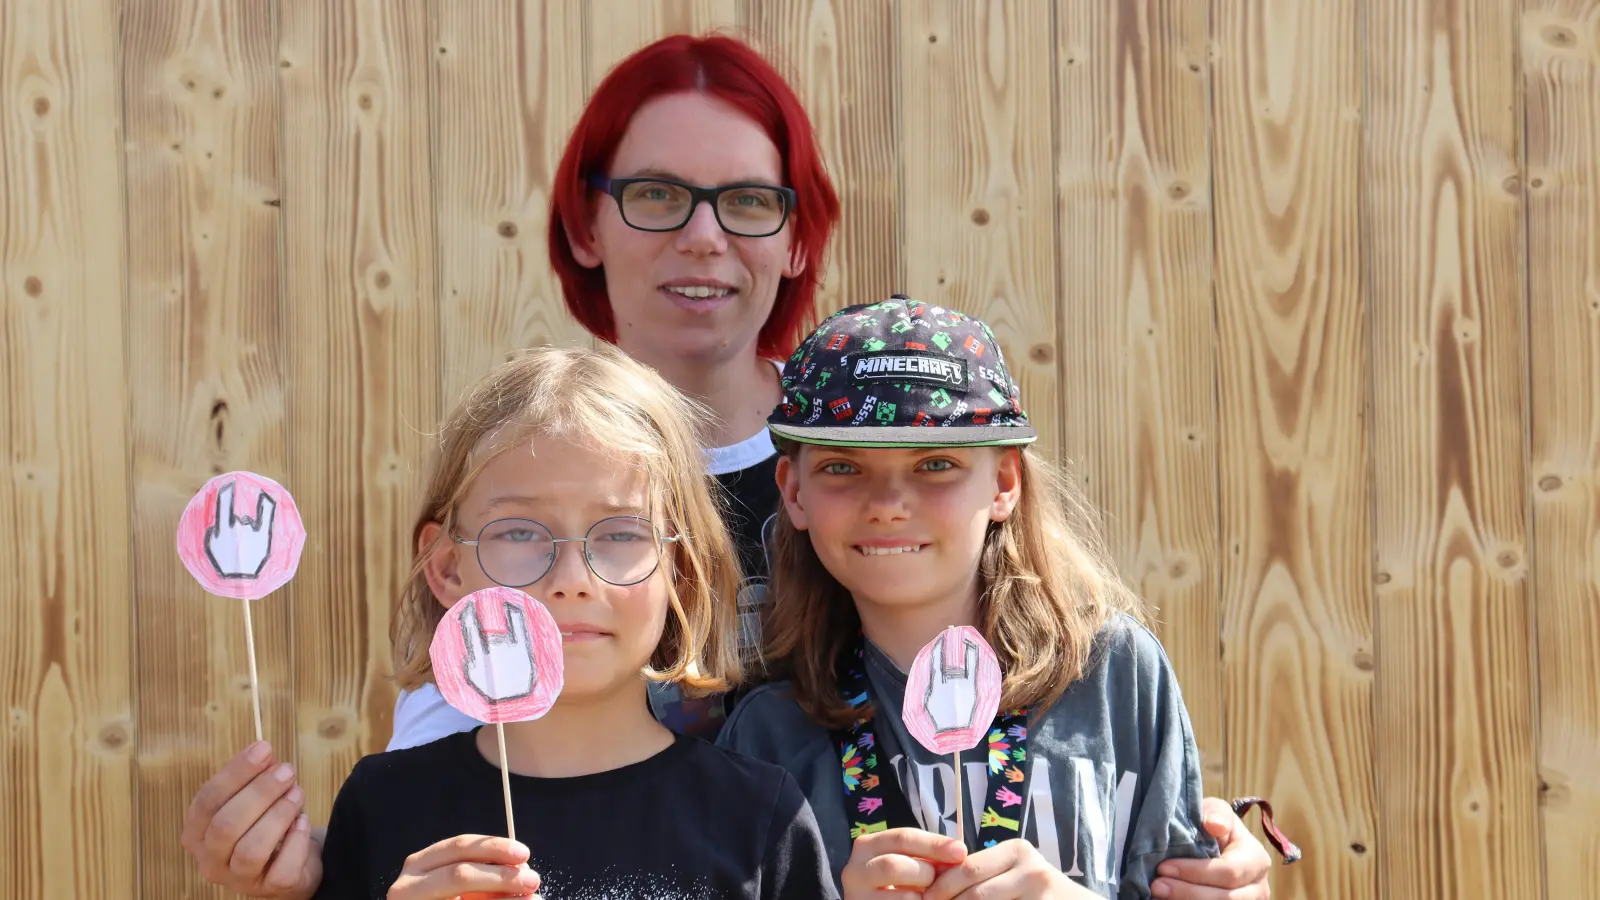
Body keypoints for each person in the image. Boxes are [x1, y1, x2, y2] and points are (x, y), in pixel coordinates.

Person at [180, 32, 1275, 900]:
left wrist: (1216, 852)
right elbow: (455, 771)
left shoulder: (868, 429)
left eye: (748, 200)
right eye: (657, 194)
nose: (703, 236)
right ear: (587, 223)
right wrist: (308, 877)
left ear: (797, 238)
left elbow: (1075, 731)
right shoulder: (521, 465)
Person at [716, 299, 1226, 898]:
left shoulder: (1116, 672)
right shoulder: (769, 732)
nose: (887, 503)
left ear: (1005, 482)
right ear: (794, 491)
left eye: (936, 463)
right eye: (843, 467)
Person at [311, 345, 838, 899]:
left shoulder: (759, 818)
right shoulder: (382, 807)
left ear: (680, 570)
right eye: (518, 531)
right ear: (446, 567)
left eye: (620, 533)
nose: (572, 577)